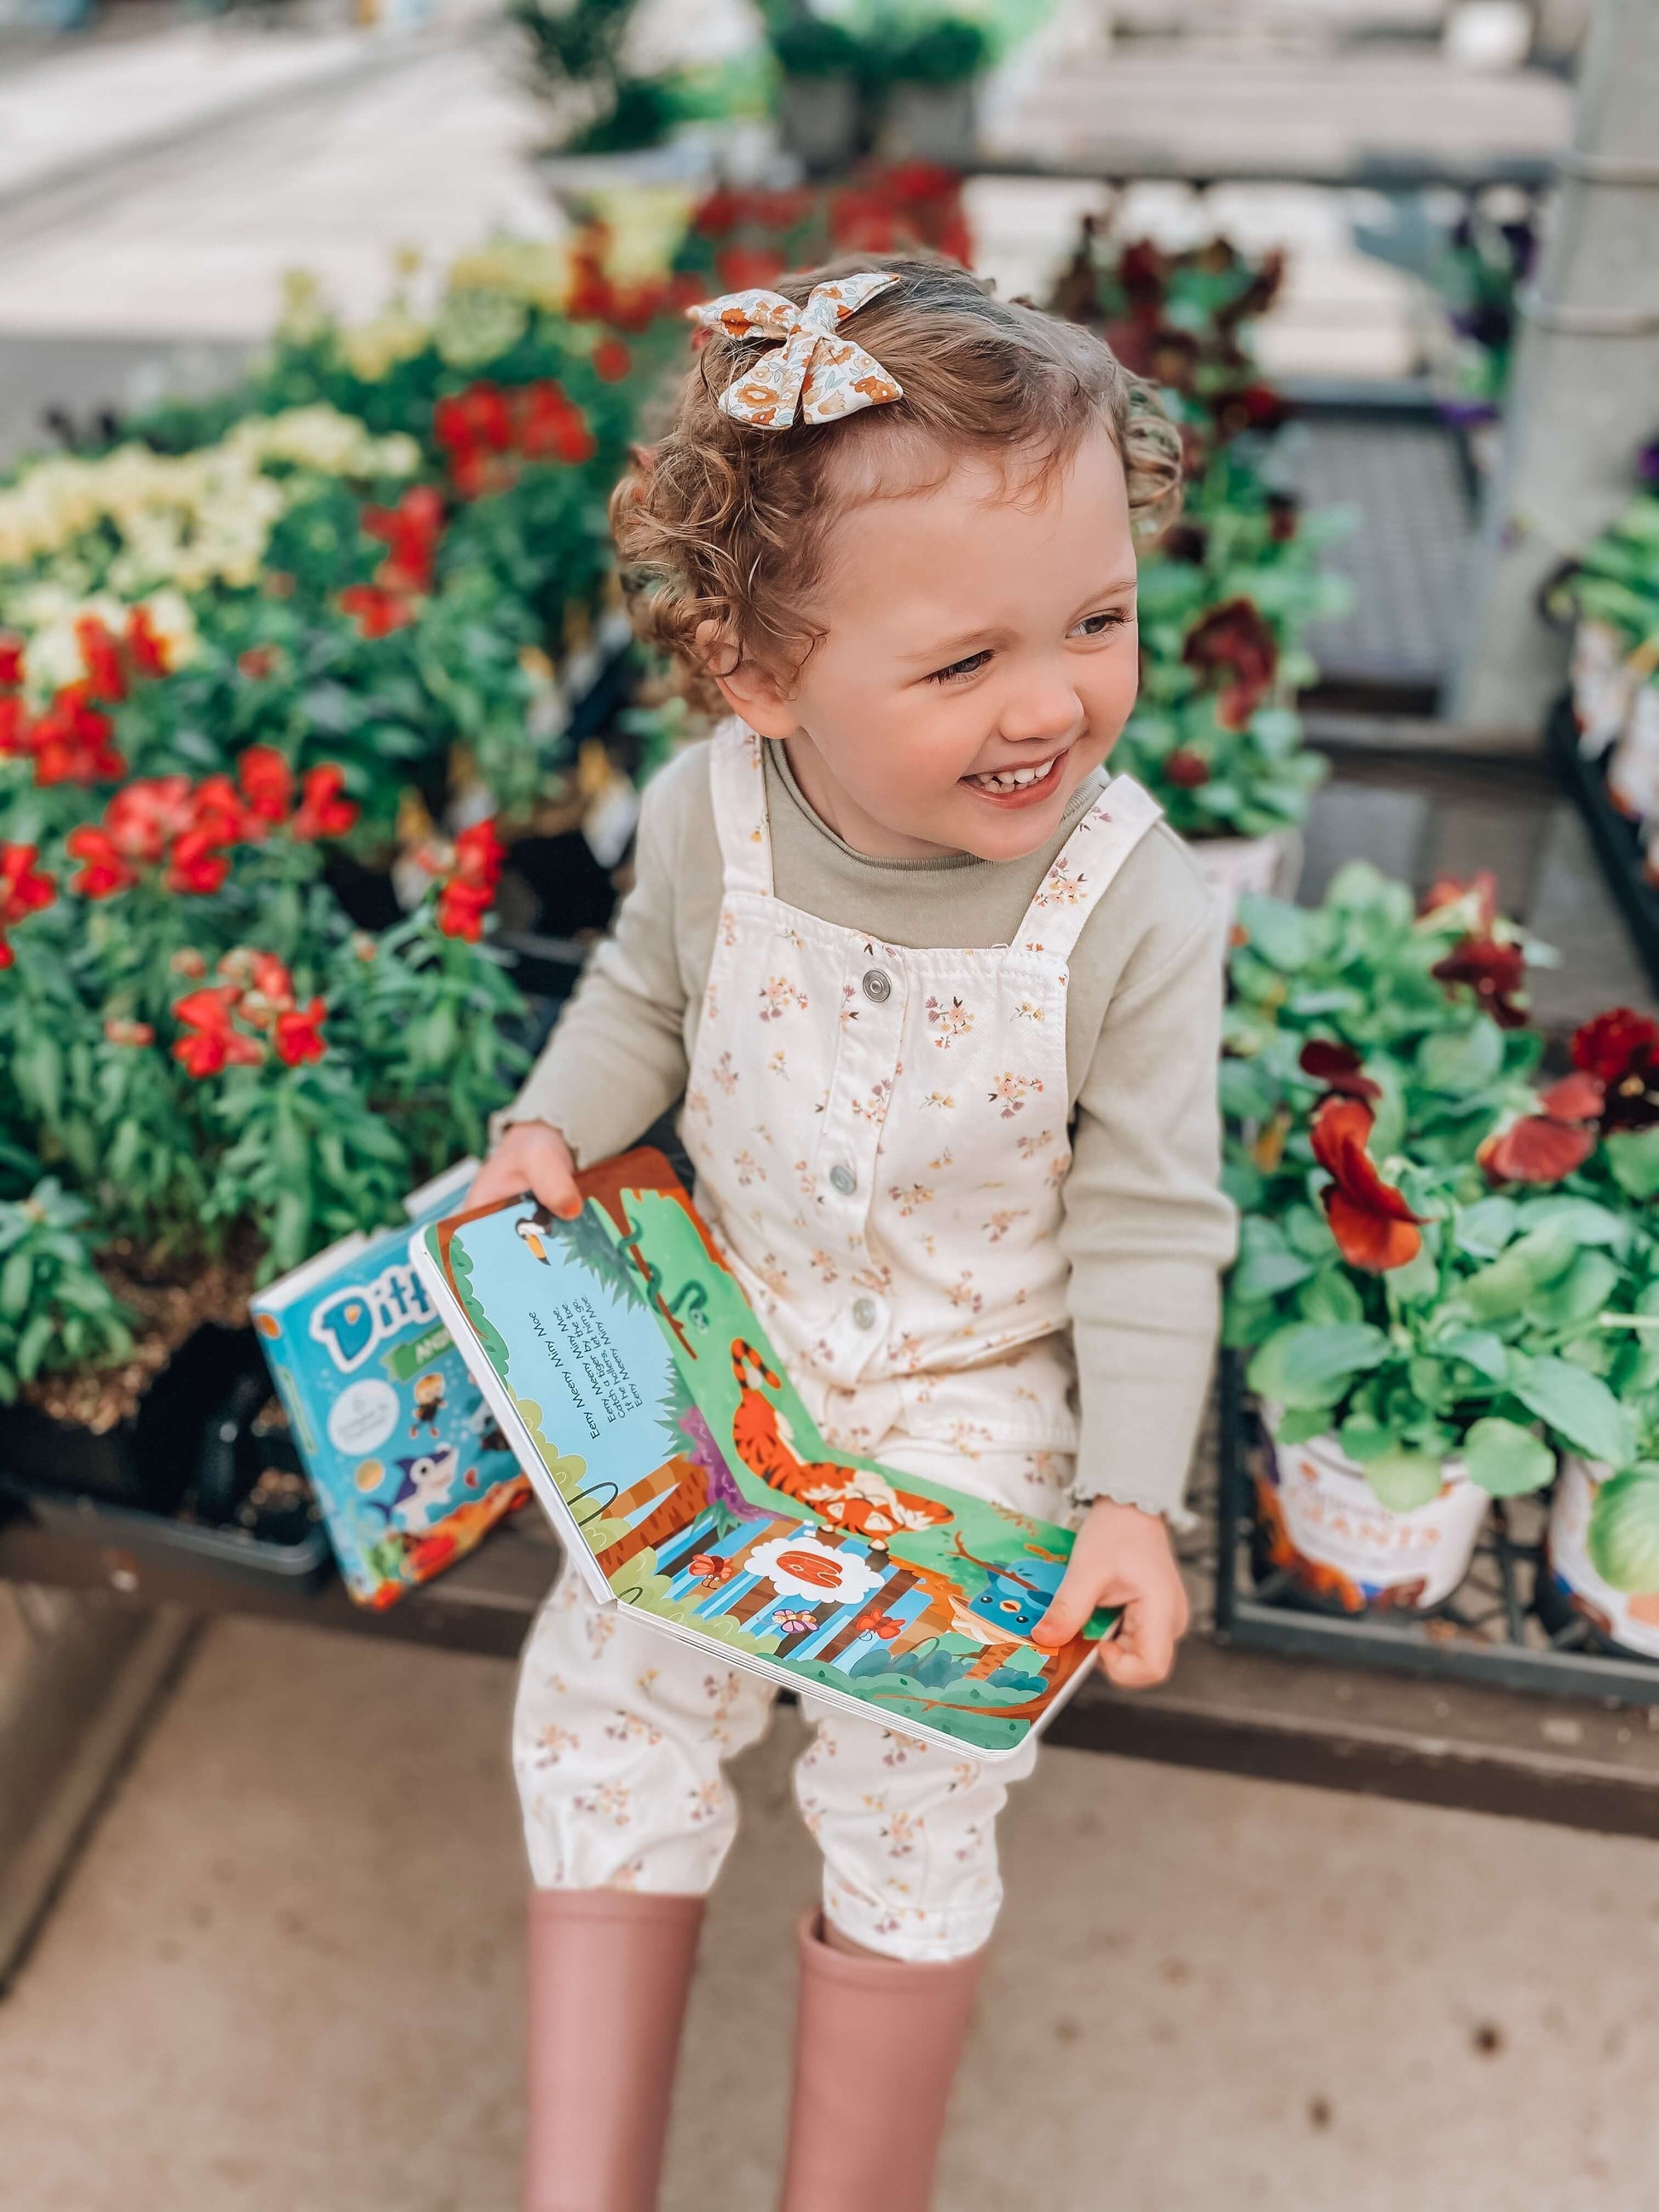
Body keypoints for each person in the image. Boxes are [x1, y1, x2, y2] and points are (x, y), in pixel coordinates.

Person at [466, 257, 1237, 2212]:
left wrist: (1128, 1498)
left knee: (911, 1772)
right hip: (734, 1340)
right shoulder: (708, 816)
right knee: (605, 1704)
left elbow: (1152, 1215)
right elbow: (643, 992)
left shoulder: (1128, 905)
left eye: (1096, 619)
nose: (1052, 699)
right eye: (964, 661)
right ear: (756, 670)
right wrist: (557, 1124)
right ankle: (586, 2178)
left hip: (971, 1397)